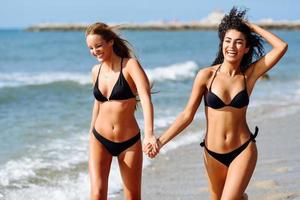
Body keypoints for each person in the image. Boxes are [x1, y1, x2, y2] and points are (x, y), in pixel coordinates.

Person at [145, 7, 288, 199]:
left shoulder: (249, 76)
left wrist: (249, 26)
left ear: (246, 48)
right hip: (212, 153)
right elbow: (187, 114)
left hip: (243, 149)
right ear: (222, 44)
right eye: (228, 41)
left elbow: (281, 46)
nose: (232, 46)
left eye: (239, 42)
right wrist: (160, 142)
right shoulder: (206, 76)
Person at [86, 22, 158, 200]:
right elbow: (98, 104)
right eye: (91, 48)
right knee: (97, 194)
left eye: (98, 46)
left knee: (133, 196)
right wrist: (90, 133)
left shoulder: (130, 66)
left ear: (110, 42)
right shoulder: (96, 71)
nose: (95, 51)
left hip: (129, 141)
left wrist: (149, 134)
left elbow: (147, 99)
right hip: (99, 139)